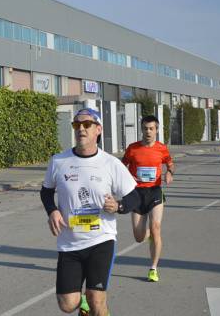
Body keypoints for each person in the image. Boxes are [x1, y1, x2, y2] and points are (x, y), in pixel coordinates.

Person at [40, 108, 140, 316]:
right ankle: (83, 304)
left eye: (87, 125)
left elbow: (134, 196)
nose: (81, 129)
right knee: (67, 304)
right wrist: (52, 211)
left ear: (98, 129)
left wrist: (119, 206)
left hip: (101, 239)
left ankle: (94, 304)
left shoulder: (111, 163)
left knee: (96, 299)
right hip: (69, 243)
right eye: (77, 125)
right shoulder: (58, 161)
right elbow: (46, 191)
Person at [122, 115, 174, 282]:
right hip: (136, 194)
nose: (148, 132)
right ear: (141, 129)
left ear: (157, 130)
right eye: (145, 128)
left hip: (154, 192)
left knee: (156, 227)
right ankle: (150, 234)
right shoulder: (132, 148)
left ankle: (153, 268)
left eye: (151, 128)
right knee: (138, 237)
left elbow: (170, 163)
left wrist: (169, 172)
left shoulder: (162, 148)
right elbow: (122, 167)